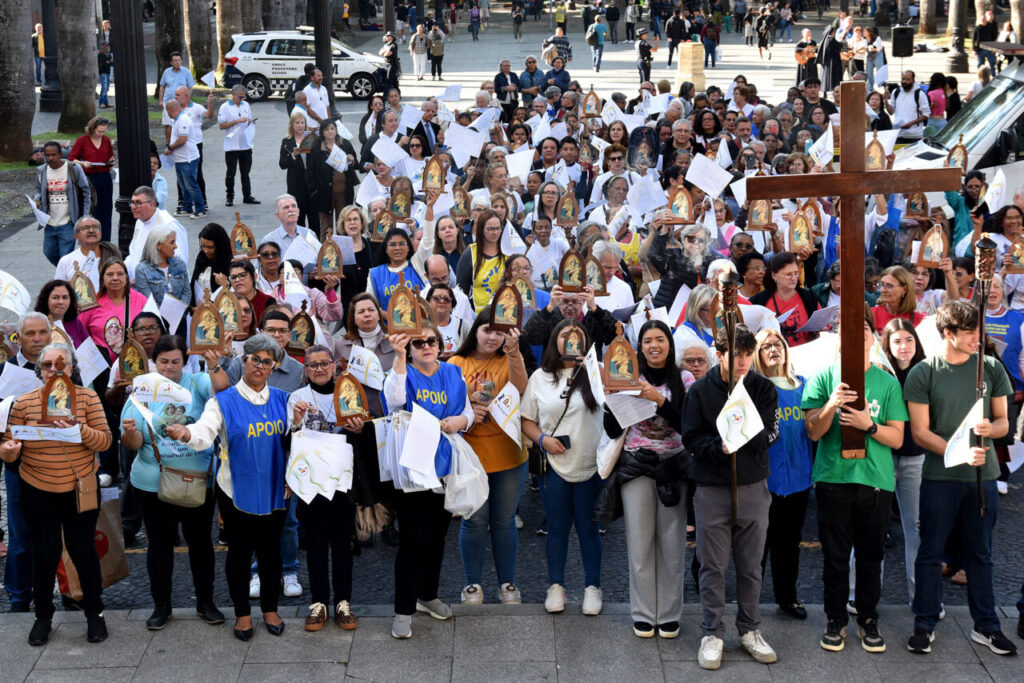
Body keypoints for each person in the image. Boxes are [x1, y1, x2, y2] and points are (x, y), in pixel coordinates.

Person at [904, 302, 1017, 656]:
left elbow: (1003, 422)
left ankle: (987, 626)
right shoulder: (924, 373)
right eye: (969, 332)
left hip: (984, 477)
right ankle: (924, 625)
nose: (977, 338)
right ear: (948, 334)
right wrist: (959, 455)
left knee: (980, 553)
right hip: (939, 477)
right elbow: (921, 433)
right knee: (930, 552)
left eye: (978, 330)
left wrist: (991, 428)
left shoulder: (992, 367)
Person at [166, 335, 292, 640]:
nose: (260, 366)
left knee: (272, 553)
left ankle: (271, 609)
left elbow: (295, 440)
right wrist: (186, 432)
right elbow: (204, 431)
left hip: (275, 488)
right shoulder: (222, 401)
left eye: (267, 361)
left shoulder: (283, 399)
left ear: (273, 367)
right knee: (239, 554)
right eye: (254, 359)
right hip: (236, 490)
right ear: (243, 361)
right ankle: (243, 614)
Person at [803, 310, 908, 654]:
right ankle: (836, 620)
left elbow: (897, 439)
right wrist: (831, 403)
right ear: (837, 340)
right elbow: (813, 431)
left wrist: (869, 425)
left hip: (876, 481)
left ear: (873, 337)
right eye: (849, 330)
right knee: (834, 557)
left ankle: (868, 618)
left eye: (864, 329)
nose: (857, 335)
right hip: (833, 478)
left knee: (870, 556)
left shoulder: (887, 381)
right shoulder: (822, 377)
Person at [681, 324, 779, 671]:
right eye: (736, 354)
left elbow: (770, 433)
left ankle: (750, 628)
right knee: (712, 566)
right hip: (711, 488)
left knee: (752, 565)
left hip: (753, 486)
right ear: (719, 354)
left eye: (747, 354)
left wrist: (742, 429)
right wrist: (719, 447)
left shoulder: (763, 388)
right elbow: (691, 438)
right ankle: (712, 632)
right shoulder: (700, 392)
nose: (743, 361)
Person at [1, 343, 113, 646]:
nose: (55, 370)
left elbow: (105, 442)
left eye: (61, 364)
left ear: (72, 368)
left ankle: (94, 613)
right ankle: (43, 616)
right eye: (48, 365)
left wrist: (80, 430)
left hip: (79, 487)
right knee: (45, 553)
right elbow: (8, 446)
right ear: (39, 371)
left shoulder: (88, 398)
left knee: (83, 550)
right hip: (37, 488)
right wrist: (9, 452)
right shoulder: (23, 404)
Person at [119, 335, 222, 630]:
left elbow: (221, 391)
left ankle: (206, 602)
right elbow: (135, 442)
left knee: (201, 543)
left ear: (184, 361)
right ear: (154, 362)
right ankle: (161, 606)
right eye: (163, 362)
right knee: (159, 545)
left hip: (198, 479)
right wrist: (128, 432)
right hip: (153, 482)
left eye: (175, 361)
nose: (169, 368)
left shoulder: (197, 381)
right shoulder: (142, 390)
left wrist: (215, 367)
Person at [383, 326, 473, 639]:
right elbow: (393, 401)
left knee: (437, 536)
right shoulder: (401, 371)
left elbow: (467, 410)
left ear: (440, 343)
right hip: (414, 467)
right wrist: (398, 356)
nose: (425, 347)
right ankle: (403, 609)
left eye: (430, 341)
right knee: (412, 540)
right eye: (417, 343)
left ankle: (427, 593)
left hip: (445, 464)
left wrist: (462, 421)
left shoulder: (452, 371)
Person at [603, 320, 689, 638]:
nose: (654, 345)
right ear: (639, 347)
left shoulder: (685, 379)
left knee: (672, 543)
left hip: (674, 467)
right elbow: (612, 430)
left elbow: (688, 426)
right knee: (640, 543)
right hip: (636, 466)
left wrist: (659, 400)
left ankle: (668, 613)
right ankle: (643, 612)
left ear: (669, 343)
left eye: (660, 339)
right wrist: (612, 400)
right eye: (648, 340)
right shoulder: (627, 377)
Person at [289, 345, 377, 631]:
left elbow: (368, 434)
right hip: (312, 481)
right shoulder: (298, 398)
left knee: (342, 544)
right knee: (314, 545)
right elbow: (289, 440)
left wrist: (360, 429)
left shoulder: (348, 391)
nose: (319, 369)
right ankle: (318, 603)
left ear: (334, 366)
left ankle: (343, 602)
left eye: (324, 363)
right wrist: (296, 423)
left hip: (343, 481)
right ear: (305, 369)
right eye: (313, 365)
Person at [521, 321, 605, 616]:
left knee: (588, 527)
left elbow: (619, 402)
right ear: (555, 341)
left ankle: (592, 586)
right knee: (556, 529)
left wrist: (594, 369)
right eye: (565, 336)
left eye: (578, 335)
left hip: (591, 462)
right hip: (554, 464)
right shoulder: (540, 377)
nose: (571, 340)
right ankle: (556, 585)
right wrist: (543, 440)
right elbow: (526, 420)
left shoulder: (598, 372)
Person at [449, 310, 529, 605]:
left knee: (504, 521)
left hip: (509, 454)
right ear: (475, 332)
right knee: (474, 520)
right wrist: (467, 407)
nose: (493, 337)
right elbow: (446, 401)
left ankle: (507, 583)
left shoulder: (508, 358)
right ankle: (473, 585)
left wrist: (516, 352)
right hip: (470, 455)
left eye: (499, 332)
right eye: (487, 330)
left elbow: (521, 389)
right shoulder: (457, 363)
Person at [754, 329, 813, 621]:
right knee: (758, 545)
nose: (773, 349)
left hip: (799, 476)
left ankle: (787, 597)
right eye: (765, 346)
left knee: (790, 542)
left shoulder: (804, 385)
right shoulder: (756, 387)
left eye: (777, 344)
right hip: (766, 478)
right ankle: (750, 600)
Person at [879, 318, 928, 604]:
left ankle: (920, 597)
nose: (904, 346)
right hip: (882, 457)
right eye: (896, 341)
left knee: (916, 528)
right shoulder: (879, 373)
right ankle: (861, 597)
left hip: (915, 458)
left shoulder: (926, 372)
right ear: (886, 345)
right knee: (872, 529)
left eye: (908, 339)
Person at [35, 141, 93, 266]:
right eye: (47, 155)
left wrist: (84, 217)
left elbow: (86, 191)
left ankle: (64, 278)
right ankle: (67, 273)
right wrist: (37, 199)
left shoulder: (73, 168)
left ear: (61, 154)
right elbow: (39, 190)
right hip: (49, 222)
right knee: (48, 252)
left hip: (68, 222)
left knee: (65, 255)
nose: (50, 158)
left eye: (54, 155)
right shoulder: (42, 171)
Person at [78, 258, 148, 358]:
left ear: (126, 277)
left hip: (134, 364)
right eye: (110, 274)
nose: (115, 278)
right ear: (102, 278)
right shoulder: (92, 303)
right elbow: (79, 334)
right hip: (101, 366)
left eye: (120, 274)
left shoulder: (141, 300)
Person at [751, 252, 820, 347]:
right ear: (774, 275)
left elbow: (822, 324)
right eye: (788, 274)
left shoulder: (808, 296)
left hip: (806, 351)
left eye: (796, 273)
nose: (793, 278)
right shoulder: (759, 301)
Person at [306, 119, 358, 234]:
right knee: (326, 228)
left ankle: (342, 250)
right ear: (322, 132)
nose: (330, 132)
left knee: (343, 226)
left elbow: (356, 163)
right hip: (324, 194)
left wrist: (352, 159)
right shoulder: (316, 148)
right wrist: (314, 192)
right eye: (327, 129)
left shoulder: (345, 144)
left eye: (332, 128)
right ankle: (326, 250)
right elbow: (310, 172)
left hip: (343, 193)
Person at [164, 99, 206, 219]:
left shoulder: (183, 120)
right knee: (184, 185)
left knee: (191, 185)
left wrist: (170, 147)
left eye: (168, 111)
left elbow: (182, 139)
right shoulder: (177, 120)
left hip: (188, 159)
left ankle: (200, 209)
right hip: (180, 159)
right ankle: (187, 207)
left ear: (171, 111)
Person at [218, 85, 259, 207]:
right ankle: (229, 196)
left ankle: (247, 195)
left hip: (245, 144)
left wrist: (251, 122)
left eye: (243, 97)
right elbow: (221, 125)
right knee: (231, 173)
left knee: (245, 172)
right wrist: (236, 121)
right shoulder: (225, 107)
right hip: (232, 146)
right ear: (233, 95)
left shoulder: (246, 105)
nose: (242, 99)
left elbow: (249, 119)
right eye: (240, 97)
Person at [133, 225, 190, 309]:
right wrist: (168, 317)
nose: (176, 246)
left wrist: (179, 312)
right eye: (172, 242)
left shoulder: (179, 264)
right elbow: (149, 302)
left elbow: (186, 292)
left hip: (180, 318)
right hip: (157, 320)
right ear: (159, 245)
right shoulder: (142, 270)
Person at [158, 52, 195, 141]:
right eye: (175, 61)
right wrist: (161, 100)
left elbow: (190, 87)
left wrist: (187, 99)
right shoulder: (166, 72)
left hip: (181, 103)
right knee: (168, 124)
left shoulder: (186, 72)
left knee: (181, 122)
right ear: (171, 62)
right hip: (168, 102)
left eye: (179, 60)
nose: (177, 62)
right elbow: (162, 86)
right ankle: (168, 143)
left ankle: (180, 141)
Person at [302, 68, 331, 135]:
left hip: (325, 126)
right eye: (318, 76)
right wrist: (320, 120)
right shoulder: (306, 90)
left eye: (321, 75)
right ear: (312, 77)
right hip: (313, 126)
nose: (321, 77)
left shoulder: (324, 89)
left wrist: (329, 121)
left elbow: (327, 106)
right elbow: (308, 109)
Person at [96, 42, 113, 108]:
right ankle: (101, 103)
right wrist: (108, 62)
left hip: (108, 72)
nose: (107, 47)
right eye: (106, 46)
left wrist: (109, 62)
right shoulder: (101, 55)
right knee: (104, 87)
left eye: (108, 46)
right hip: (103, 73)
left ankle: (106, 103)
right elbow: (104, 63)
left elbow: (111, 63)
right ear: (103, 47)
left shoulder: (109, 55)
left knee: (107, 88)